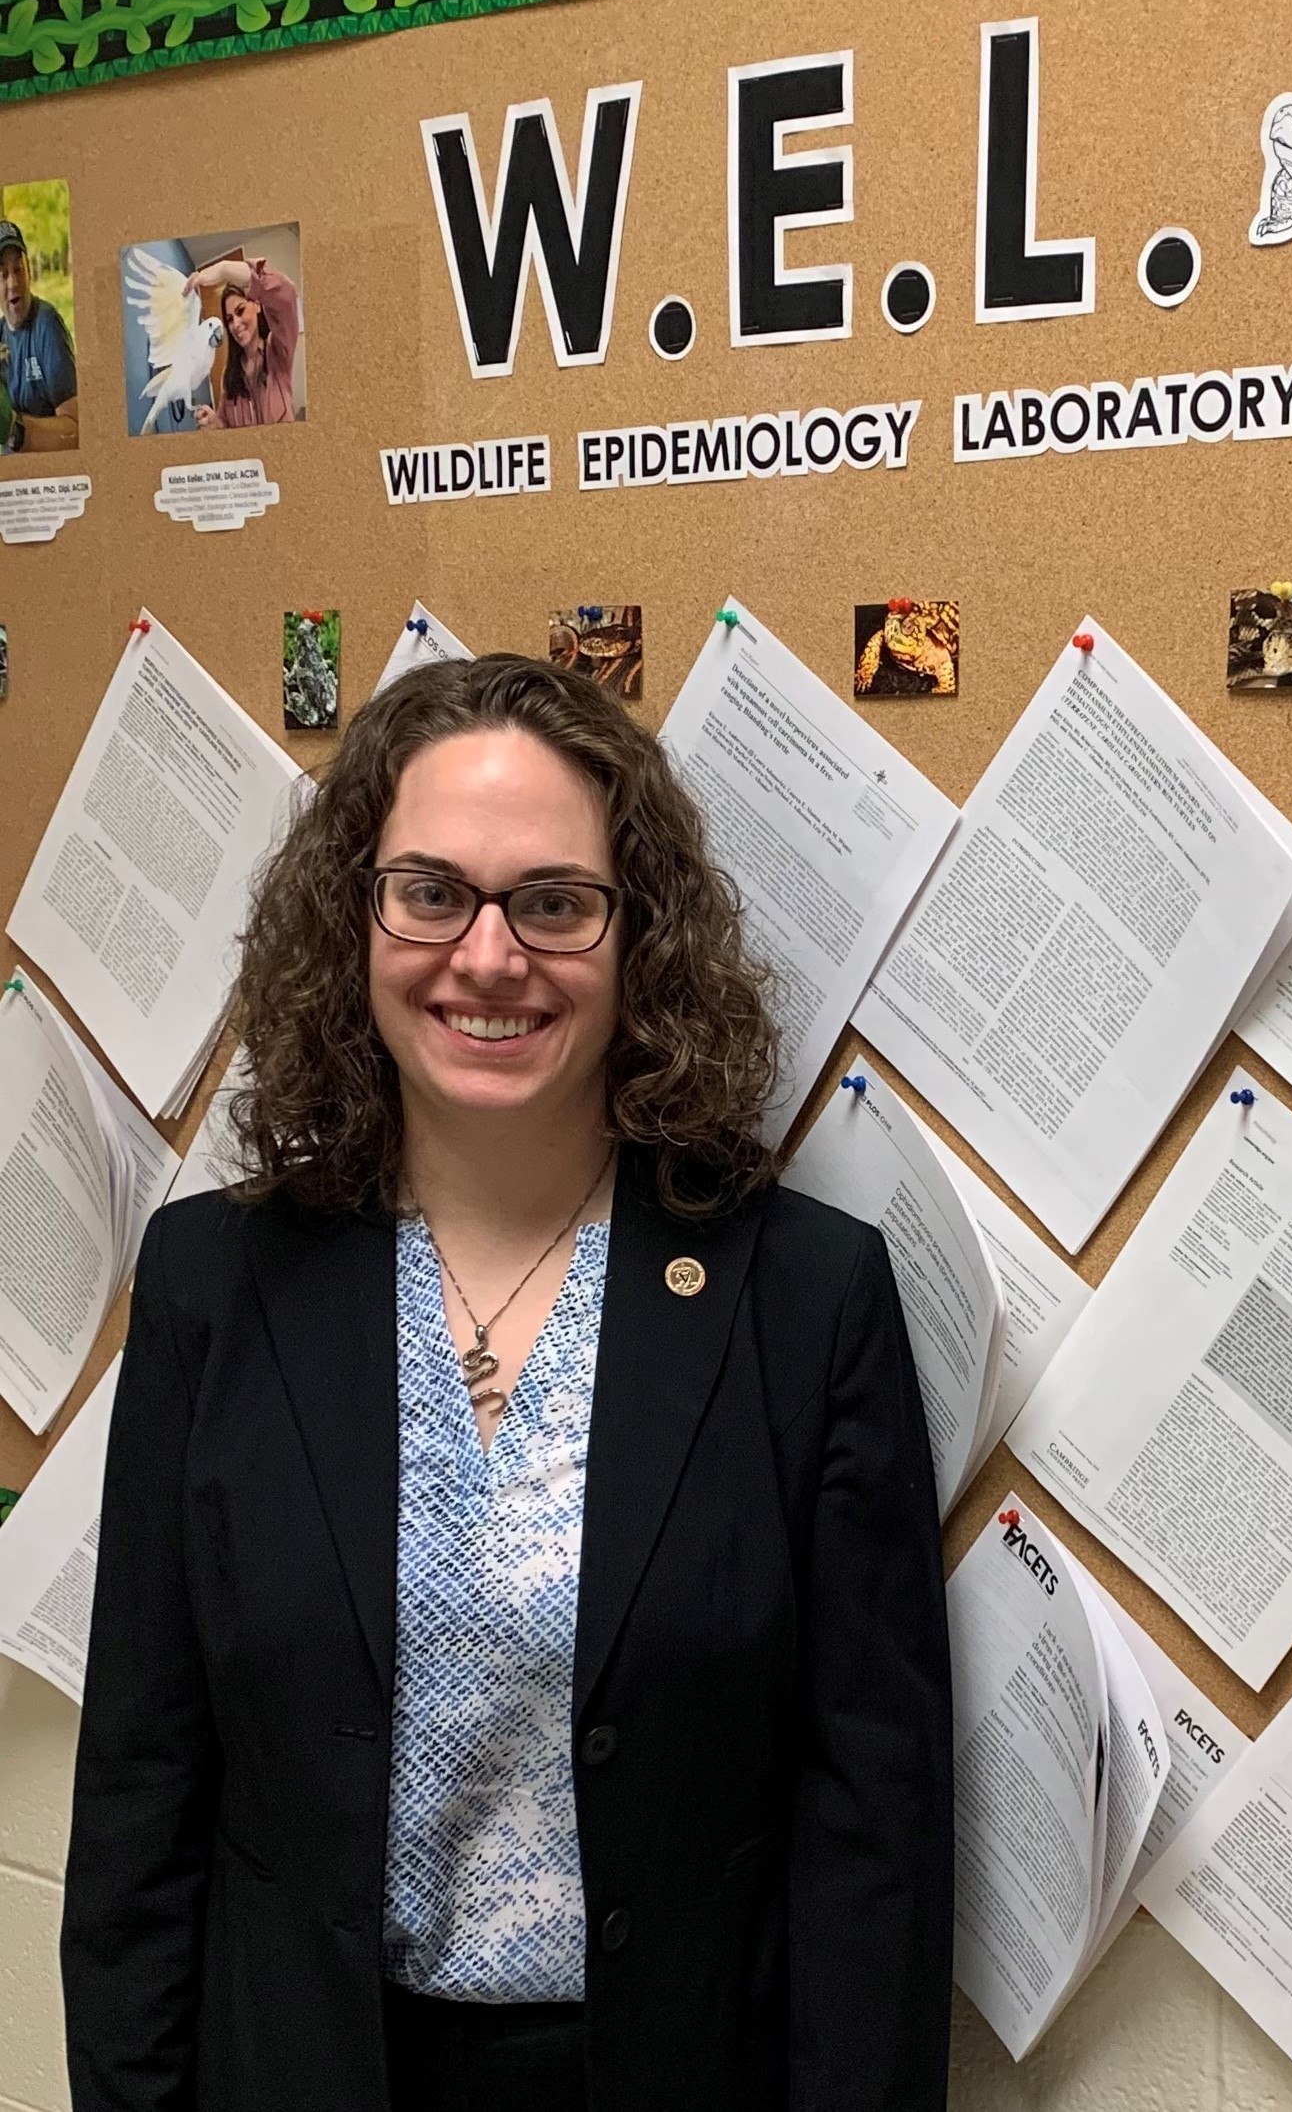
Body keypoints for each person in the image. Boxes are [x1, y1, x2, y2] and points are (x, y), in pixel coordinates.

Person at [59, 657, 954, 2112]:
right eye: (430, 892)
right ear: (354, 918)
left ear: (636, 933)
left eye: (554, 901)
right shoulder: (215, 1286)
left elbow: (876, 1833)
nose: (488, 957)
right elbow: (141, 1793)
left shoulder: (804, 1303)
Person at [187, 251, 302, 429]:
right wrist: (215, 422)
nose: (236, 324)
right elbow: (225, 424)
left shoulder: (278, 351)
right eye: (229, 319)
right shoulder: (229, 374)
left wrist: (225, 269)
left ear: (256, 304)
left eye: (240, 311)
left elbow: (286, 294)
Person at [0, 218, 77, 454]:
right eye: (3, 274)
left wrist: (14, 430)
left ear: (29, 271)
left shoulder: (47, 324)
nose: (13, 283)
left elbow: (77, 433)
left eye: (18, 269)